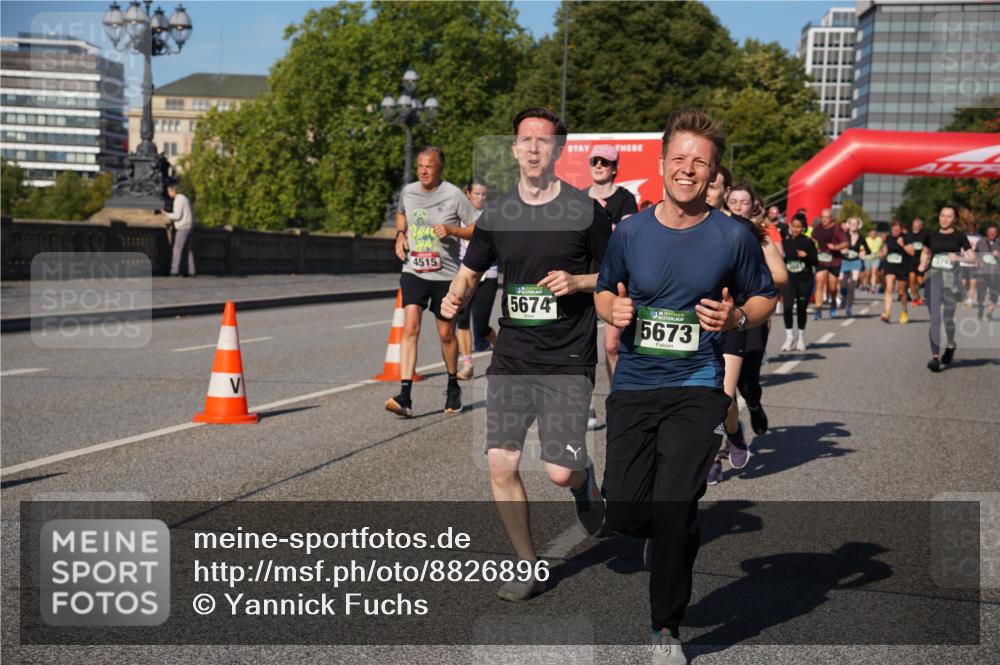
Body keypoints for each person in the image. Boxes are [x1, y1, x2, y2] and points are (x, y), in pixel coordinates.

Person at [595, 108, 776, 665]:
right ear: (662, 164)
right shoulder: (631, 231)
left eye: (700, 162)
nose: (688, 169)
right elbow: (603, 292)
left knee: (672, 504)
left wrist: (737, 321)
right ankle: (679, 531)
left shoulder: (732, 236)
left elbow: (764, 296)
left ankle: (665, 630)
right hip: (635, 384)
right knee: (623, 514)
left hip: (698, 384)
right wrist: (615, 308)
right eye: (679, 159)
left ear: (713, 173)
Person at [441, 107, 611, 601]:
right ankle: (529, 565)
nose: (534, 147)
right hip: (514, 354)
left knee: (559, 471)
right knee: (500, 462)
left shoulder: (586, 212)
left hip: (567, 357)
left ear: (558, 151)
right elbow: (472, 270)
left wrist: (578, 280)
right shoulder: (497, 214)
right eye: (525, 139)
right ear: (514, 149)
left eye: (544, 140)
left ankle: (584, 483)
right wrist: (456, 295)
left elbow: (618, 275)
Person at [387, 147, 476, 417]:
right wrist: (400, 234)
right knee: (410, 324)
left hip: (446, 274)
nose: (424, 171)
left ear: (440, 168)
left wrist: (451, 230)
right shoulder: (409, 191)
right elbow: (402, 214)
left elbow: (475, 229)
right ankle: (405, 395)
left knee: (445, 333)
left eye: (429, 166)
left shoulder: (453, 195)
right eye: (420, 166)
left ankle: (452, 384)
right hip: (414, 269)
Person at [709, 182, 786, 484]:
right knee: (702, 396)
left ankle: (738, 425)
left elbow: (778, 277)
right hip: (696, 321)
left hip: (738, 317)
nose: (738, 205)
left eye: (745, 201)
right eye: (734, 200)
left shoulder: (752, 235)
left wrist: (755, 283)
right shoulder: (695, 227)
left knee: (735, 390)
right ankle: (712, 455)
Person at [587, 144, 639, 428]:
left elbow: (625, 238)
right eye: (595, 161)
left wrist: (604, 222)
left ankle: (618, 398)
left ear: (614, 168)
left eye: (604, 163)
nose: (598, 166)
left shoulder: (626, 199)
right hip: (585, 279)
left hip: (616, 280)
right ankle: (585, 405)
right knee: (581, 346)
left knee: (611, 345)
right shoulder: (580, 199)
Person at [918, 205, 974, 372]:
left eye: (949, 216)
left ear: (955, 219)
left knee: (948, 317)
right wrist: (923, 263)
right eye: (942, 215)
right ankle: (935, 357)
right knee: (935, 317)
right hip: (933, 277)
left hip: (952, 280)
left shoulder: (960, 236)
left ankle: (950, 345)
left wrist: (957, 256)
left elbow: (972, 257)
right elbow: (926, 251)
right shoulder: (931, 234)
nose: (944, 219)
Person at [455, 177, 498, 380]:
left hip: (488, 274)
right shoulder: (459, 215)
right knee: (461, 320)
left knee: (481, 326)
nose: (481, 198)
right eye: (477, 194)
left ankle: (501, 352)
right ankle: (467, 364)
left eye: (484, 194)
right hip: (465, 272)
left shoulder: (490, 216)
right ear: (468, 194)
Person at [780, 212, 818, 351]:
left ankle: (801, 337)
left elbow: (816, 261)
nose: (795, 229)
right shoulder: (785, 241)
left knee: (801, 308)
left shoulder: (808, 242)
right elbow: (779, 259)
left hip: (804, 279)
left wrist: (806, 256)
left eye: (799, 227)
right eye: (793, 226)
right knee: (787, 307)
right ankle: (789, 337)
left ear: (803, 228)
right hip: (789, 278)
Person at [811, 208, 848, 318]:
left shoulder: (837, 229)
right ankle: (818, 310)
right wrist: (814, 247)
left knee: (832, 287)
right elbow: (813, 238)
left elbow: (846, 243)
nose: (825, 219)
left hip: (834, 260)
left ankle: (833, 303)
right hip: (821, 259)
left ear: (831, 218)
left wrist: (836, 247)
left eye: (827, 217)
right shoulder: (818, 227)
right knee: (819, 282)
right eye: (823, 217)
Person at [880, 221, 915, 324]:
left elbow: (912, 252)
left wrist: (903, 245)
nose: (895, 231)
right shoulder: (888, 237)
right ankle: (887, 312)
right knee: (889, 288)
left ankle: (904, 311)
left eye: (897, 230)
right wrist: (883, 252)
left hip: (902, 267)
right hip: (890, 266)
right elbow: (885, 250)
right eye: (893, 229)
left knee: (901, 292)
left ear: (901, 230)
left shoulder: (906, 237)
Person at [161, 183, 195, 277]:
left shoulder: (178, 200)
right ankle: (191, 270)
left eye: (169, 191)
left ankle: (174, 270)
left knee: (177, 249)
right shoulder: (184, 198)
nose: (168, 193)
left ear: (173, 191)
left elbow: (177, 216)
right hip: (189, 226)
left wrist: (166, 214)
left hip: (183, 227)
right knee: (188, 250)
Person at [838, 216, 867, 317]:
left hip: (856, 262)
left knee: (852, 286)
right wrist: (841, 250)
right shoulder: (842, 235)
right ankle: (843, 297)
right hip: (844, 261)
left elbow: (867, 249)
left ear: (858, 225)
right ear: (848, 225)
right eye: (852, 223)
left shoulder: (862, 237)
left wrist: (863, 253)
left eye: (856, 223)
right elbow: (837, 247)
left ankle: (848, 307)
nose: (854, 225)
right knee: (842, 284)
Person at [975, 225, 999, 320]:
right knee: (981, 292)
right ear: (987, 232)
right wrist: (977, 261)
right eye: (990, 231)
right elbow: (975, 253)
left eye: (994, 232)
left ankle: (989, 313)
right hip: (982, 272)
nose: (992, 233)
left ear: (997, 233)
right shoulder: (980, 242)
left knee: (995, 294)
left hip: (996, 273)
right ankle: (980, 308)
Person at [906, 217, 930, 305]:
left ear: (921, 226)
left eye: (918, 225)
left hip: (922, 260)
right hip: (911, 261)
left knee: (920, 281)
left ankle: (917, 292)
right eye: (914, 225)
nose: (915, 227)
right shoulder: (908, 235)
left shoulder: (925, 234)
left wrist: (928, 257)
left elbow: (929, 246)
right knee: (911, 279)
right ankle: (915, 298)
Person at [959, 214, 982, 307]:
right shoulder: (963, 236)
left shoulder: (979, 237)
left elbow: (981, 250)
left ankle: (970, 300)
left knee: (973, 282)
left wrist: (979, 260)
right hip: (963, 262)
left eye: (973, 227)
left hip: (973, 264)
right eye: (970, 227)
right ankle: (968, 296)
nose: (971, 229)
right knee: (964, 283)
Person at [862, 227, 883, 293]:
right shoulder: (866, 239)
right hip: (867, 258)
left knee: (874, 272)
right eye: (872, 233)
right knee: (867, 273)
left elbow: (882, 247)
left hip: (876, 258)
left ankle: (873, 287)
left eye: (874, 233)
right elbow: (862, 249)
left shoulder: (879, 239)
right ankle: (866, 284)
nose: (873, 234)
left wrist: (881, 252)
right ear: (869, 234)